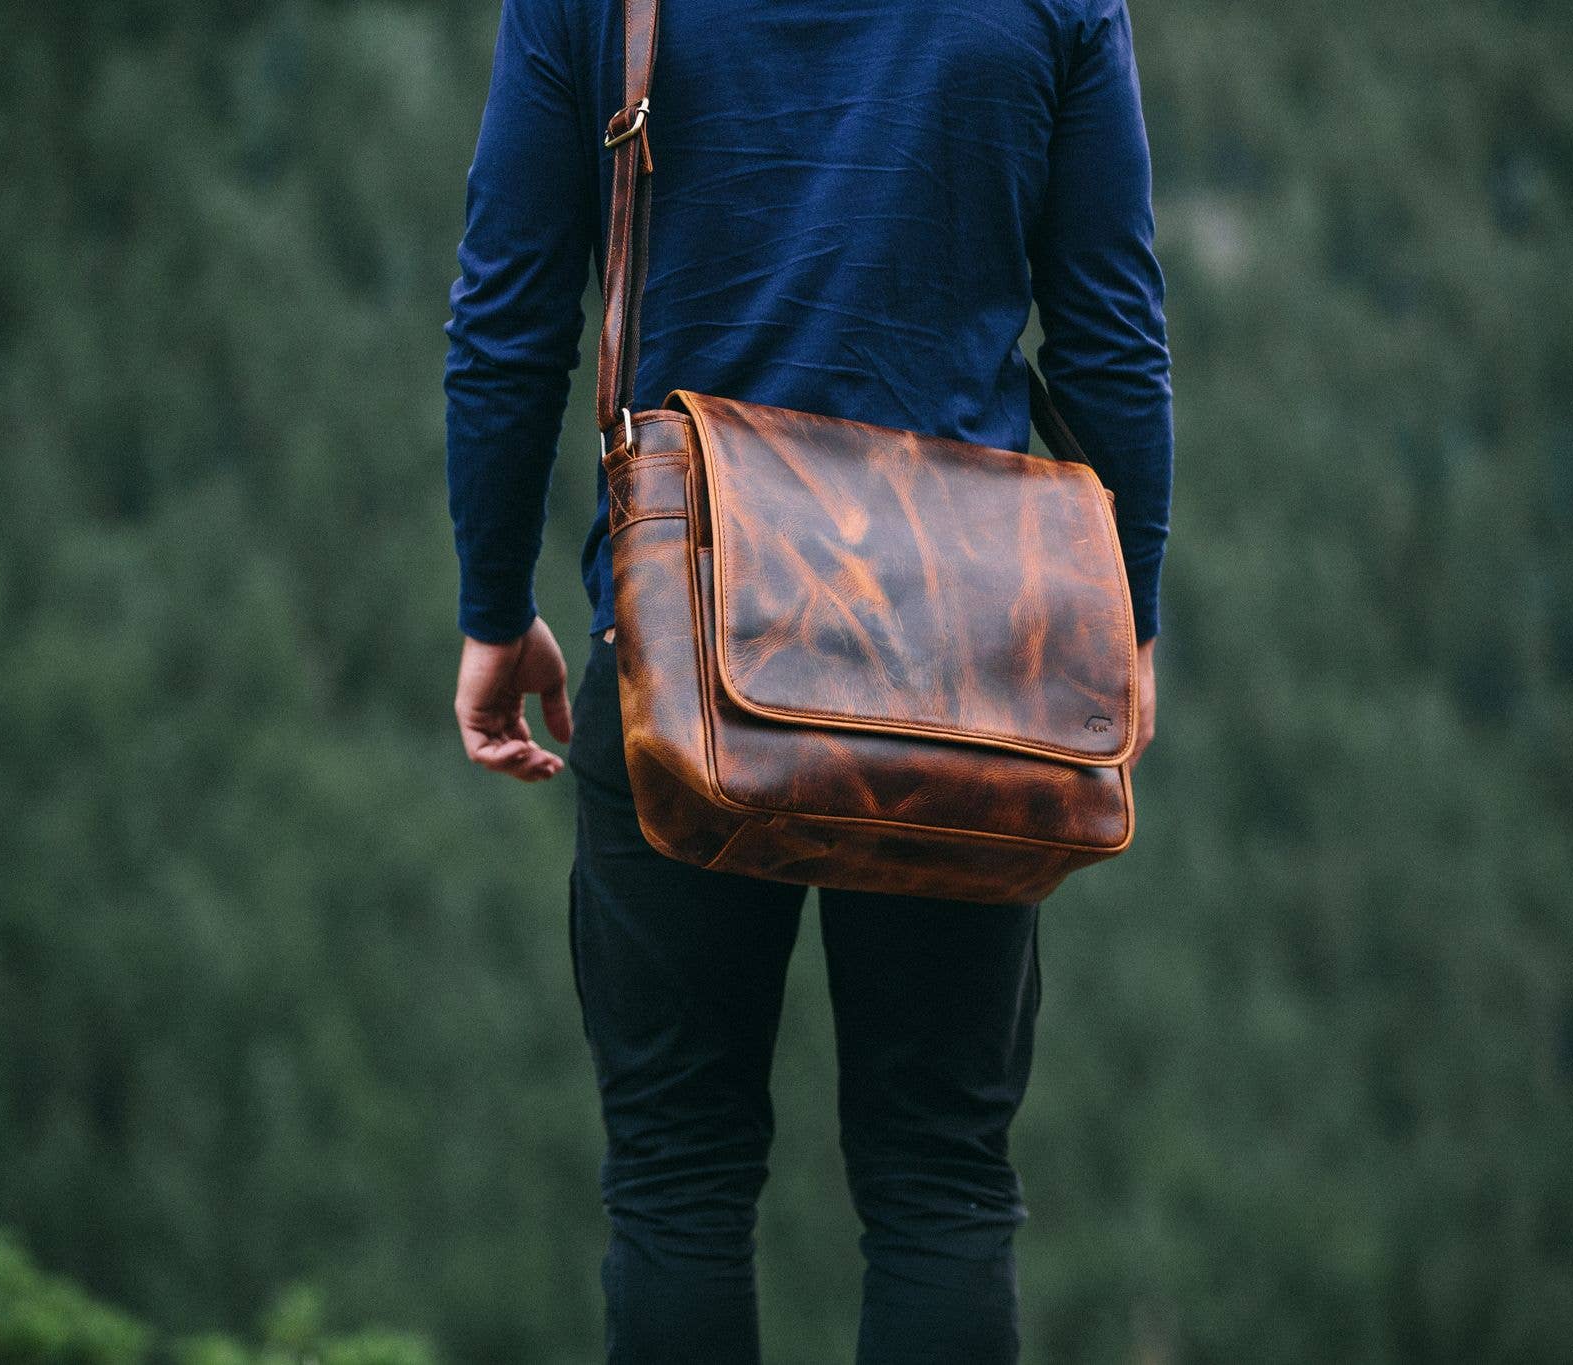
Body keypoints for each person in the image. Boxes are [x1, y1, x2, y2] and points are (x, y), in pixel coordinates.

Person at [442, 0, 1171, 1358]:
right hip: (973, 665)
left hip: (679, 650)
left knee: (677, 1178)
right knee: (943, 1180)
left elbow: (511, 305)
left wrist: (496, 603)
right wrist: (1127, 617)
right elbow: (1112, 331)